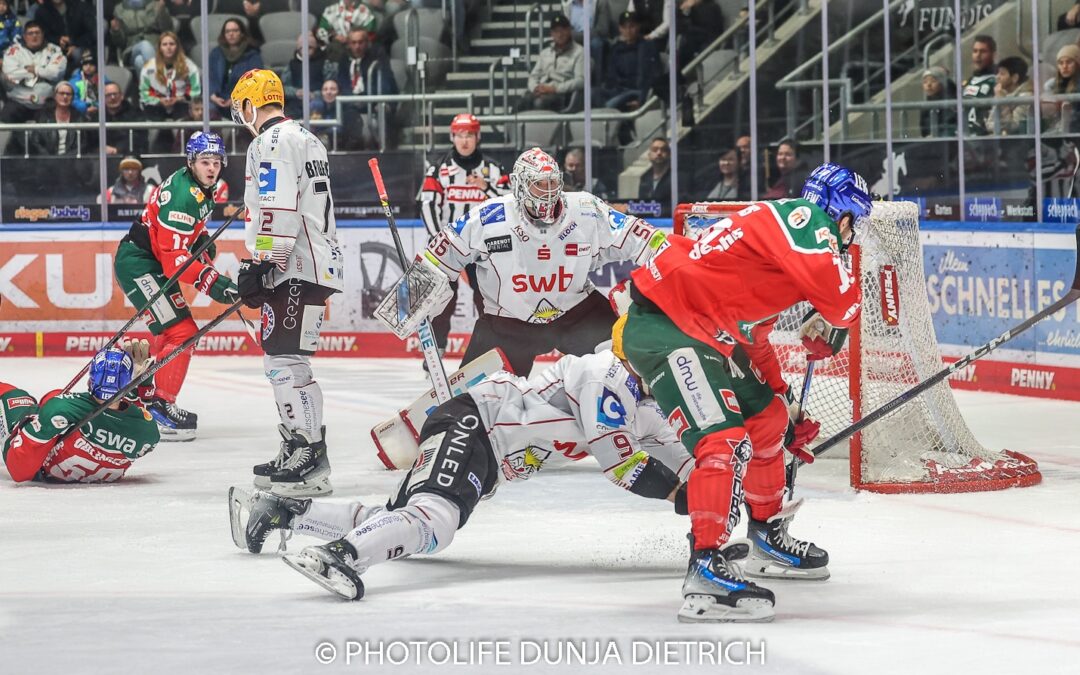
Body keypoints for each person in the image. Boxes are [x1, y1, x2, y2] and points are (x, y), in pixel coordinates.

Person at [611, 162, 870, 622]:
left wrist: (783, 398)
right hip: (669, 327)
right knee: (721, 440)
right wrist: (833, 321)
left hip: (701, 330)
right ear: (842, 214)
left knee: (768, 418)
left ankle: (765, 534)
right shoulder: (807, 220)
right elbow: (844, 302)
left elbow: (754, 336)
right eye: (854, 223)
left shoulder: (775, 246)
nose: (852, 236)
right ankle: (706, 567)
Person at [231, 350, 695, 601]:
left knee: (401, 520)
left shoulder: (644, 408)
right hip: (475, 424)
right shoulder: (605, 375)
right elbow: (622, 466)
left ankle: (284, 511)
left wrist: (715, 498)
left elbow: (686, 460)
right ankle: (340, 556)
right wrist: (681, 496)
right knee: (434, 522)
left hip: (482, 444)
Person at [388, 146, 668, 378]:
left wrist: (674, 258)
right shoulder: (489, 217)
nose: (548, 192)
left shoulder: (585, 209)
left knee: (629, 371)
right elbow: (438, 256)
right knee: (474, 403)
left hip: (576, 314)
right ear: (520, 186)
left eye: (553, 184)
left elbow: (641, 237)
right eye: (539, 185)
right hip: (509, 323)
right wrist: (406, 306)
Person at [230, 69, 344, 497]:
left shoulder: (269, 142)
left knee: (284, 362)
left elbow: (278, 207)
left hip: (294, 263)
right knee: (286, 358)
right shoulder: (308, 138)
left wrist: (262, 263)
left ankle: (309, 454)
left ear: (248, 105)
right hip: (315, 263)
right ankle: (298, 446)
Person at [113, 132, 239, 442]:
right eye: (204, 162)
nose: (211, 168)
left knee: (170, 332)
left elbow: (182, 238)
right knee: (182, 333)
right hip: (141, 264)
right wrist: (216, 284)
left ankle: (145, 392)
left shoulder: (201, 186)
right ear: (191, 162)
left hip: (149, 260)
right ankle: (161, 407)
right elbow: (174, 263)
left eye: (216, 162)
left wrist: (199, 243)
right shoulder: (184, 195)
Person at [418, 113, 510, 356]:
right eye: (460, 135)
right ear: (452, 137)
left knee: (486, 298)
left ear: (477, 137)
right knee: (442, 299)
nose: (465, 140)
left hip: (483, 247)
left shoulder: (493, 169)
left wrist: (486, 187)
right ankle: (435, 350)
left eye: (469, 134)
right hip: (448, 246)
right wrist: (437, 237)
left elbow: (511, 205)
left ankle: (493, 348)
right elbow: (428, 205)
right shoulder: (438, 169)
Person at [1, 342, 159, 484]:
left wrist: (37, 422)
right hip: (82, 464)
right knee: (52, 399)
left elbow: (19, 472)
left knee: (15, 396)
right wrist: (140, 392)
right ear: (127, 383)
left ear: (90, 380)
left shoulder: (62, 408)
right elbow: (125, 422)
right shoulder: (149, 432)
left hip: (41, 469)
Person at [593, 11, 659, 113]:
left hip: (637, 91)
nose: (628, 31)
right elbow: (611, 76)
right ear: (620, 29)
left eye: (632, 26)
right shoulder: (616, 49)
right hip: (618, 91)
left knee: (610, 106)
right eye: (624, 27)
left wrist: (641, 99)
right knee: (592, 94)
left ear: (638, 26)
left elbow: (653, 76)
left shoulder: (647, 47)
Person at [1, 21, 67, 123]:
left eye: (37, 32)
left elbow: (55, 73)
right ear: (24, 36)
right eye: (30, 33)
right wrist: (43, 75)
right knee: (5, 117)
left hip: (46, 103)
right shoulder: (13, 51)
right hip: (19, 101)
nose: (34, 36)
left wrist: (35, 70)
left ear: (43, 34)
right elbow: (11, 74)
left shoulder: (54, 50)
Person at [517, 14, 584, 112]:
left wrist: (555, 88)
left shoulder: (579, 52)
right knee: (519, 103)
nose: (559, 34)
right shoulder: (545, 52)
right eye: (556, 31)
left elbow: (581, 81)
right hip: (541, 90)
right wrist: (535, 88)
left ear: (569, 30)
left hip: (561, 94)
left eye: (563, 30)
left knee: (539, 103)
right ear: (551, 34)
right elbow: (533, 76)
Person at [138, 31, 200, 122]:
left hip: (181, 103)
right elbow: (144, 92)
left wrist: (179, 98)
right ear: (160, 48)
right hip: (156, 105)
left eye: (172, 44)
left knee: (185, 118)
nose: (168, 47)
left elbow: (196, 91)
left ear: (177, 47)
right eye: (164, 44)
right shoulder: (149, 67)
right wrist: (159, 100)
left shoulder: (189, 66)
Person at [208, 18, 262, 119]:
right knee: (208, 111)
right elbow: (210, 77)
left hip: (243, 100)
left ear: (242, 33)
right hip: (217, 101)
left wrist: (237, 99)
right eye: (228, 31)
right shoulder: (216, 53)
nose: (231, 34)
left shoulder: (252, 55)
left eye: (235, 30)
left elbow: (255, 82)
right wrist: (212, 96)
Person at [107, 0, 174, 71]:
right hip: (131, 49)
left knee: (139, 62)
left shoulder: (155, 5)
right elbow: (120, 43)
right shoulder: (119, 9)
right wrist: (116, 31)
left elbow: (168, 30)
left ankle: (152, 81)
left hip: (155, 47)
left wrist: (162, 12)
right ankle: (160, 77)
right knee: (145, 45)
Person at [27, 80, 88, 157]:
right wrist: (51, 159)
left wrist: (65, 158)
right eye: (62, 93)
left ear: (72, 97)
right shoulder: (44, 116)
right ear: (55, 96)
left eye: (68, 94)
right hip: (47, 162)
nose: (65, 96)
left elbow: (83, 144)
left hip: (72, 162)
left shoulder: (79, 117)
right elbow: (36, 141)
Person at [35, 0, 95, 72]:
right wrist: (58, 40)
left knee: (78, 53)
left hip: (81, 46)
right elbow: (43, 35)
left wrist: (74, 43)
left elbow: (91, 32)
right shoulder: (41, 11)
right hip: (54, 49)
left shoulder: (80, 6)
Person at [986, 56, 1031, 136]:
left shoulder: (1026, 97)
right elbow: (989, 125)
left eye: (1002, 74)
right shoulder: (1002, 94)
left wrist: (1002, 102)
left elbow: (1014, 127)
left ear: (1015, 78)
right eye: (998, 73)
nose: (997, 77)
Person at [103, 80, 148, 156]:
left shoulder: (136, 113)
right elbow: (91, 142)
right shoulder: (97, 116)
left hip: (130, 155)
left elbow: (139, 138)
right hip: (102, 157)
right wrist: (101, 148)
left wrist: (118, 149)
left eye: (115, 94)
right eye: (108, 95)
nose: (113, 97)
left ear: (122, 96)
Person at [962, 34, 996, 137]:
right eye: (975, 51)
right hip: (963, 137)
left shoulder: (997, 80)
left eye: (983, 51)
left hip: (985, 139)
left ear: (993, 55)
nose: (978, 55)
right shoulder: (967, 82)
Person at [1042, 44, 1080, 134]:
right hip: (1059, 130)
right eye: (1061, 63)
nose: (1064, 66)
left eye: (1069, 62)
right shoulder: (1054, 86)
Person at [920, 66, 957, 138]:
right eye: (925, 82)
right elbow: (924, 130)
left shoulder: (950, 104)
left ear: (942, 84)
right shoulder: (925, 107)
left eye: (933, 81)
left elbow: (950, 127)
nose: (928, 85)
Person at [638, 136, 671, 202]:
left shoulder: (676, 178)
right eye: (655, 150)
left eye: (663, 149)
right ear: (649, 155)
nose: (659, 153)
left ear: (669, 154)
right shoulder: (645, 178)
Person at [68, 49, 99, 116]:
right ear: (81, 66)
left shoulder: (102, 80)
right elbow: (72, 99)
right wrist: (85, 107)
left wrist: (97, 106)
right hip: (79, 113)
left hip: (100, 112)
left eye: (91, 64)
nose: (88, 67)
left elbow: (107, 97)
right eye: (85, 64)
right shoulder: (74, 82)